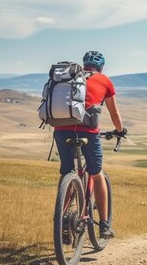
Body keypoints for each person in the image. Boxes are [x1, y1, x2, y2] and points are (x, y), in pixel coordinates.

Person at [53, 50, 126, 238]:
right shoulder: (104, 80)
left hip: (60, 130)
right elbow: (114, 113)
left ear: (84, 65)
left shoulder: (70, 78)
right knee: (96, 173)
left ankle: (62, 219)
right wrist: (120, 131)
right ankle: (104, 225)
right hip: (88, 132)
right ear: (101, 67)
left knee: (68, 172)